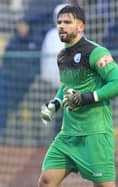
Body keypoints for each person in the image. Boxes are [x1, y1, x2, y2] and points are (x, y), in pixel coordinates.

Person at [38, 5, 118, 187]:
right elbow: (67, 86)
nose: (61, 26)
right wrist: (55, 103)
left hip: (94, 134)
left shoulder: (96, 52)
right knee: (46, 181)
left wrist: (86, 98)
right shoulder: (62, 55)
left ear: (80, 27)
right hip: (68, 134)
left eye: (67, 22)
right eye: (60, 22)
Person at [0, 18, 40, 137]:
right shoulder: (12, 42)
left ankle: (35, 136)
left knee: (35, 105)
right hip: (13, 83)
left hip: (29, 83)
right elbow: (5, 62)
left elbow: (37, 63)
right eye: (20, 25)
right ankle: (4, 133)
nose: (22, 28)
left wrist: (30, 75)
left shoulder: (34, 41)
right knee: (10, 106)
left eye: (24, 25)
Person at [40, 3, 68, 135]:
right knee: (56, 110)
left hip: (71, 81)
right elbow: (45, 58)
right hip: (54, 82)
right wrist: (47, 76)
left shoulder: (78, 35)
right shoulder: (51, 35)